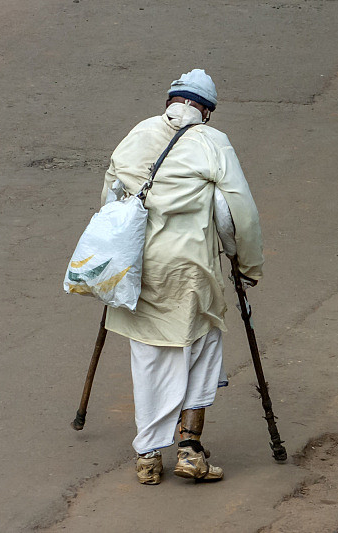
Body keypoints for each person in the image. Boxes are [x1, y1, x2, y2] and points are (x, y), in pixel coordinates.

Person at [100, 69, 264, 484]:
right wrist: (247, 264)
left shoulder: (137, 133)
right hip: (190, 269)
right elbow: (236, 209)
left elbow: (112, 193)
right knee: (202, 346)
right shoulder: (212, 142)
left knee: (149, 357)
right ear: (205, 111)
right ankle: (190, 450)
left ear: (170, 102)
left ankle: (148, 457)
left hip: (137, 265)